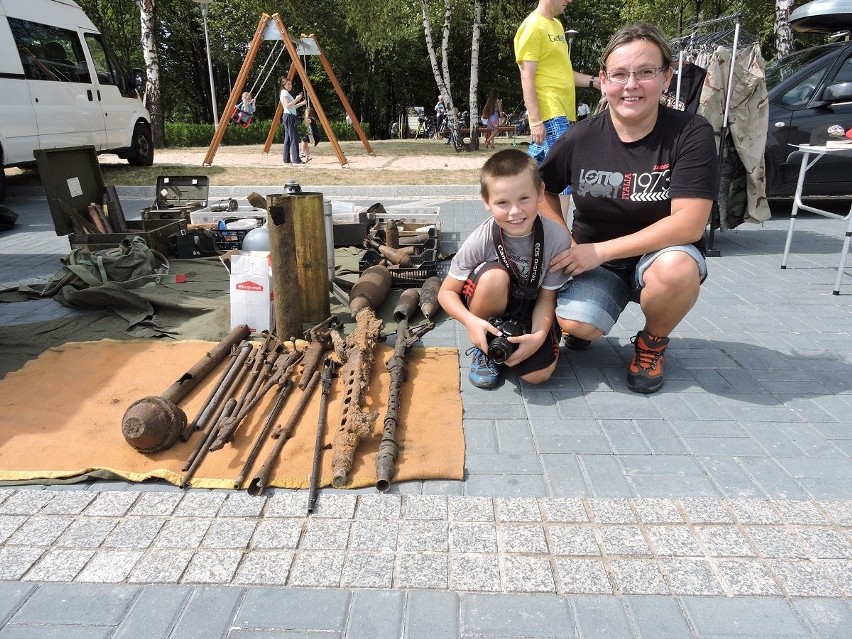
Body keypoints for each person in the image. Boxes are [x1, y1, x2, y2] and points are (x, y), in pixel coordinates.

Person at [539, 23, 719, 394]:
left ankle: (652, 344)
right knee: (579, 325)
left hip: (660, 256)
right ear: (604, 80)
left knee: (678, 269)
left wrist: (598, 251)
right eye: (619, 74)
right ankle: (580, 322)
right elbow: (541, 189)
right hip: (593, 259)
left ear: (667, 77)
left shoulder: (691, 132)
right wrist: (566, 242)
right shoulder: (581, 135)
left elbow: (690, 224)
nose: (631, 85)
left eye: (645, 72)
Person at [438, 149, 572, 389]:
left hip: (531, 306)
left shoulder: (557, 238)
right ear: (486, 201)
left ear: (541, 192)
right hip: (491, 300)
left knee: (537, 376)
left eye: (524, 199)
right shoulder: (481, 238)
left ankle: (525, 343)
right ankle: (483, 346)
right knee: (494, 278)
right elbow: (446, 293)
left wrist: (539, 336)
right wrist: (470, 321)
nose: (515, 212)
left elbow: (547, 296)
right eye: (502, 202)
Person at [514, 0, 600, 226]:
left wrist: (595, 82)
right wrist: (535, 121)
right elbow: (527, 77)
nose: (570, 1)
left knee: (533, 176)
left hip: (563, 111)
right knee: (562, 179)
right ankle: (559, 237)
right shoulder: (532, 27)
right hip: (551, 113)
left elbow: (564, 72)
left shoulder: (557, 27)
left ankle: (531, 228)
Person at [279, 77, 305, 164]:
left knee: (288, 138)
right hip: (289, 117)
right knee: (294, 138)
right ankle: (296, 159)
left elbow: (292, 106)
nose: (290, 86)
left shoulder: (284, 93)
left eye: (290, 84)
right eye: (288, 84)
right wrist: (297, 99)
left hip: (288, 116)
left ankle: (286, 159)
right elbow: (288, 105)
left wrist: (301, 103)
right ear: (284, 85)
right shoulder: (285, 93)